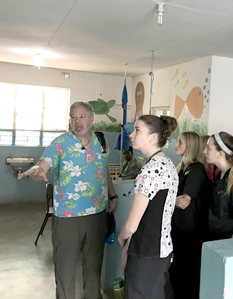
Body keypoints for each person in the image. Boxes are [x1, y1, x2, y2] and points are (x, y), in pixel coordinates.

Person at [19, 101, 118, 299]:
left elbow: (103, 168)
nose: (77, 121)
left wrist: (113, 194)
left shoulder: (101, 141)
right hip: (68, 216)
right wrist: (37, 172)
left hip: (97, 214)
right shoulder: (60, 143)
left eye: (81, 117)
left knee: (93, 268)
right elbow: (43, 166)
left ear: (91, 119)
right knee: (65, 268)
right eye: (73, 117)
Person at [118, 115, 178, 299]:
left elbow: (131, 226)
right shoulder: (168, 164)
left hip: (145, 252)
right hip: (162, 251)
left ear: (153, 137)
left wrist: (122, 241)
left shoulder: (150, 170)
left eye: (137, 130)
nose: (132, 134)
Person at [169, 132, 211, 299]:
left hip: (189, 234)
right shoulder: (182, 168)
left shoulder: (196, 170)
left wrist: (168, 200)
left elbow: (184, 201)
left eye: (180, 142)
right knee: (178, 275)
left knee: (186, 277)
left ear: (191, 147)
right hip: (180, 230)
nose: (176, 144)